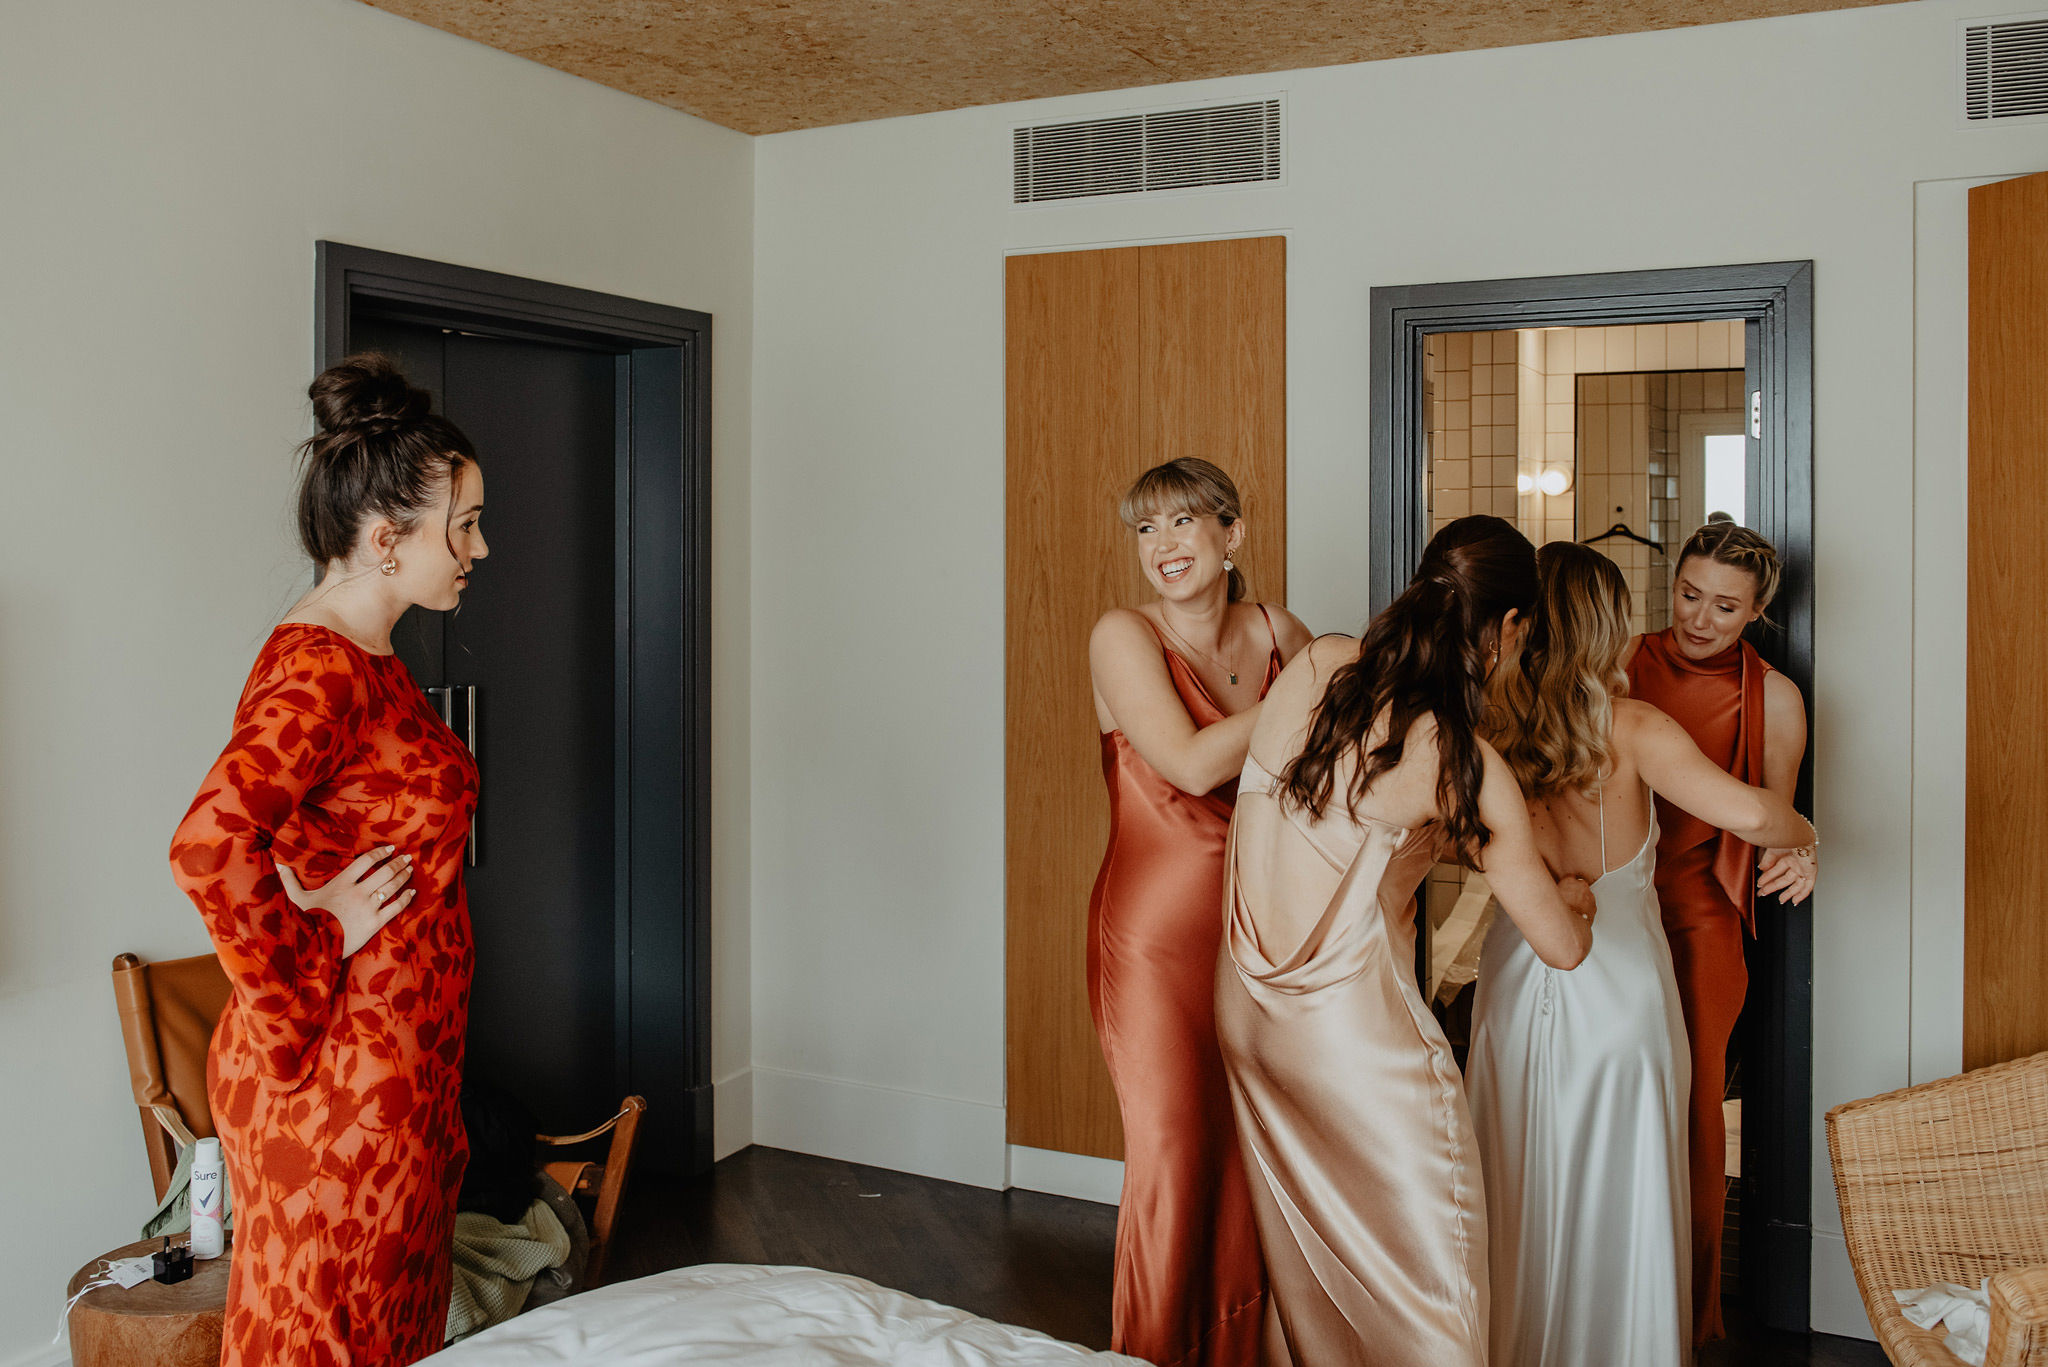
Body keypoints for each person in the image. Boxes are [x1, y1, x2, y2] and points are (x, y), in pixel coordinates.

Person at [1215, 515, 1595, 1367]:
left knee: (1307, 1261)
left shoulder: (1315, 665)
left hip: (1249, 1012)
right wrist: (1575, 898)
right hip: (1355, 1045)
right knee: (1438, 1286)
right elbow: (1562, 947)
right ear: (1509, 629)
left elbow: (1332, 817)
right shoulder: (1463, 761)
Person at [169, 354, 488, 1367]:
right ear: (387, 538)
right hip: (341, 1078)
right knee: (329, 1335)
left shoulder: (368, 657)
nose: (481, 545)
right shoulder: (319, 668)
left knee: (386, 1328)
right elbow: (208, 845)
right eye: (466, 523)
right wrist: (320, 933)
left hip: (397, 1065)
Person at [1468, 543, 1816, 1367]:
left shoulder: (1486, 720)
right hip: (1618, 981)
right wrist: (1804, 832)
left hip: (1516, 974)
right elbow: (1763, 819)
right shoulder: (1634, 726)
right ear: (1608, 626)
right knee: (1618, 1182)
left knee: (1516, 1169)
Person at [1086, 457, 1311, 1367]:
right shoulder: (1121, 635)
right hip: (1156, 934)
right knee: (1176, 1152)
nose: (1164, 546)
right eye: (1146, 529)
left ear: (1233, 533)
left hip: (1265, 923)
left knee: (1254, 1148)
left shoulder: (1280, 631)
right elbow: (1188, 765)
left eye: (1182, 522)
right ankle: (1152, 1354)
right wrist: (1315, 681)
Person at [1624, 522, 1813, 1345]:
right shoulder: (1621, 660)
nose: (1699, 618)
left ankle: (1690, 1313)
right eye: (1689, 594)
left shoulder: (1774, 695)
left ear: (1758, 609)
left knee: (1697, 1109)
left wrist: (1807, 847)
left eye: (1725, 605)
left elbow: (1780, 815)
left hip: (1702, 915)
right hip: (1610, 905)